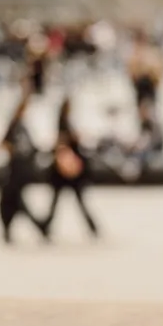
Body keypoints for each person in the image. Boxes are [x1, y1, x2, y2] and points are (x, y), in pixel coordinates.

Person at [43, 97, 98, 239]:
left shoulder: (65, 123)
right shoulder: (64, 125)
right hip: (65, 169)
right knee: (68, 201)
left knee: (60, 202)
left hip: (65, 169)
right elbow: (62, 143)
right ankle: (46, 227)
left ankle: (46, 227)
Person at [0, 88, 48, 244]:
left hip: (21, 171)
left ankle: (38, 227)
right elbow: (3, 143)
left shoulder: (23, 126)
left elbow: (31, 147)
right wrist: (14, 151)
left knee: (15, 204)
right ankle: (39, 227)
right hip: (14, 170)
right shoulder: (14, 126)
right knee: (15, 204)